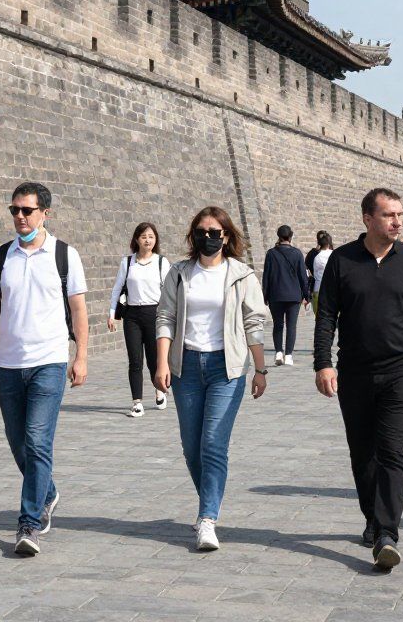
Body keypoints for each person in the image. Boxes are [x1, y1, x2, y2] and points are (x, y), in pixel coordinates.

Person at [314, 188, 403, 572]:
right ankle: (372, 517)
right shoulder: (341, 260)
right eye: (389, 215)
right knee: (362, 453)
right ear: (368, 219)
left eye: (400, 214)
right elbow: (326, 317)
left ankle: (387, 533)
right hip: (354, 372)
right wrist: (323, 363)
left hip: (401, 371)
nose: (397, 221)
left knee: (392, 451)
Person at [0, 182, 89, 556]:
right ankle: (48, 491)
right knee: (18, 443)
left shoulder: (65, 256)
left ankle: (29, 523)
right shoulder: (1, 256)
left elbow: (79, 310)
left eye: (27, 210)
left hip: (49, 363)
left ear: (45, 213)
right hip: (8, 364)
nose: (20, 217)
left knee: (38, 441)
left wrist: (81, 356)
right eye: (15, 210)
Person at [155, 206, 268, 552]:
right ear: (194, 235)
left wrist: (260, 369)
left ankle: (207, 518)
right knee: (192, 448)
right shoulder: (179, 273)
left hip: (227, 368)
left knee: (213, 443)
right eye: (202, 231)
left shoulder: (242, 274)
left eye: (215, 232)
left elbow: (254, 321)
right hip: (186, 367)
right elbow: (165, 317)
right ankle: (210, 502)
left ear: (227, 236)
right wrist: (162, 362)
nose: (209, 237)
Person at [108, 223, 171, 417]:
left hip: (155, 314)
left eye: (151, 236)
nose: (147, 240)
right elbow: (117, 288)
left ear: (156, 240)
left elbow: (170, 292)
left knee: (154, 359)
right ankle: (137, 402)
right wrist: (112, 313)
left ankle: (159, 389)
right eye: (143, 236)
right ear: (137, 239)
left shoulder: (162, 262)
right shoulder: (127, 262)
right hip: (132, 316)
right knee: (135, 360)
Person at [261, 225, 310, 366]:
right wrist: (307, 296)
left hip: (275, 295)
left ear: (278, 236)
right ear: (291, 236)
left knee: (278, 325)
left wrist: (265, 295)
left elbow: (266, 277)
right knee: (291, 326)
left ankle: (278, 352)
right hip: (294, 296)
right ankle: (288, 355)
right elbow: (303, 277)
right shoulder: (297, 253)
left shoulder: (271, 253)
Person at [310, 231, 334, 314]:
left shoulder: (317, 257)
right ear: (329, 243)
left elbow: (315, 273)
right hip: (333, 290)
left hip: (318, 289)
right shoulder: (335, 255)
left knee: (319, 318)